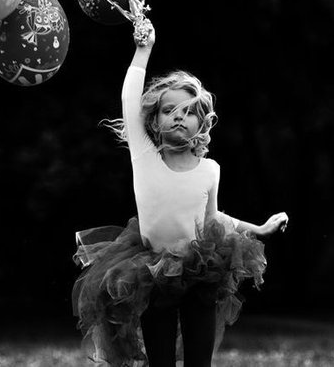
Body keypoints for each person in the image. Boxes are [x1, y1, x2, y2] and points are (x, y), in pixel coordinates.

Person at [72, 26, 289, 367]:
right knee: (160, 360)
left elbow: (213, 219)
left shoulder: (210, 170)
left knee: (199, 360)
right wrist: (143, 49)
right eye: (169, 110)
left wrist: (259, 229)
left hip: (201, 273)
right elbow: (129, 99)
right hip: (151, 273)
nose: (178, 117)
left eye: (188, 112)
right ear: (153, 121)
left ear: (202, 124)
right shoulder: (145, 157)